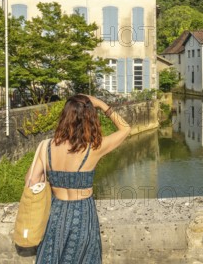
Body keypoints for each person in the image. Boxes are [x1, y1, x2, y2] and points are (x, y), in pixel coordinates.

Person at [27, 94, 131, 263]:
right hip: (82, 214)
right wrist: (103, 105)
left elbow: (31, 182)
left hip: (55, 213)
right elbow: (125, 128)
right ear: (90, 119)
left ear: (65, 117)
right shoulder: (94, 148)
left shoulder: (45, 147)